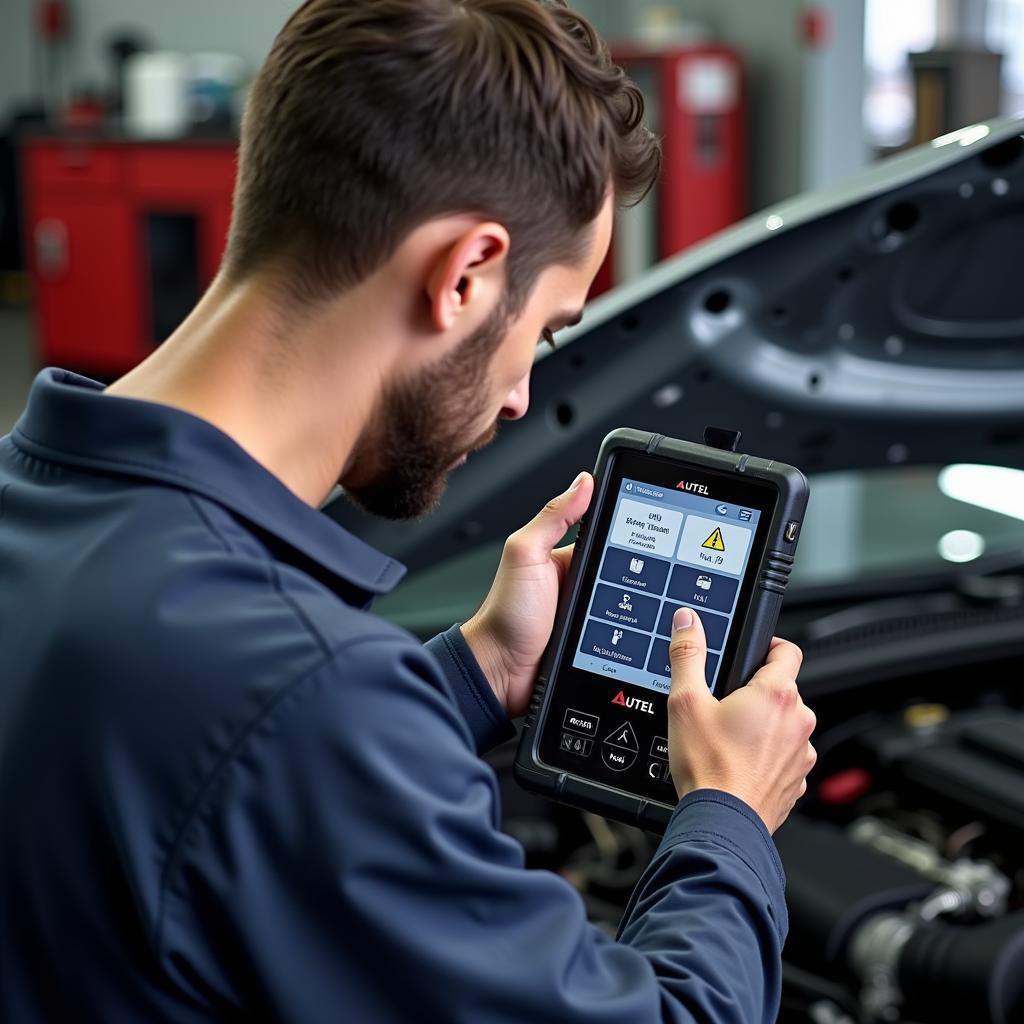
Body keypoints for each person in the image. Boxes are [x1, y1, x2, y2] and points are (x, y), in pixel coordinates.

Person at [0, 1, 816, 1021]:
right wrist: (730, 816)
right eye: (550, 329)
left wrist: (475, 670)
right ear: (467, 275)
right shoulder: (298, 689)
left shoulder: (33, 501)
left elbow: (218, 786)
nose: (522, 396)